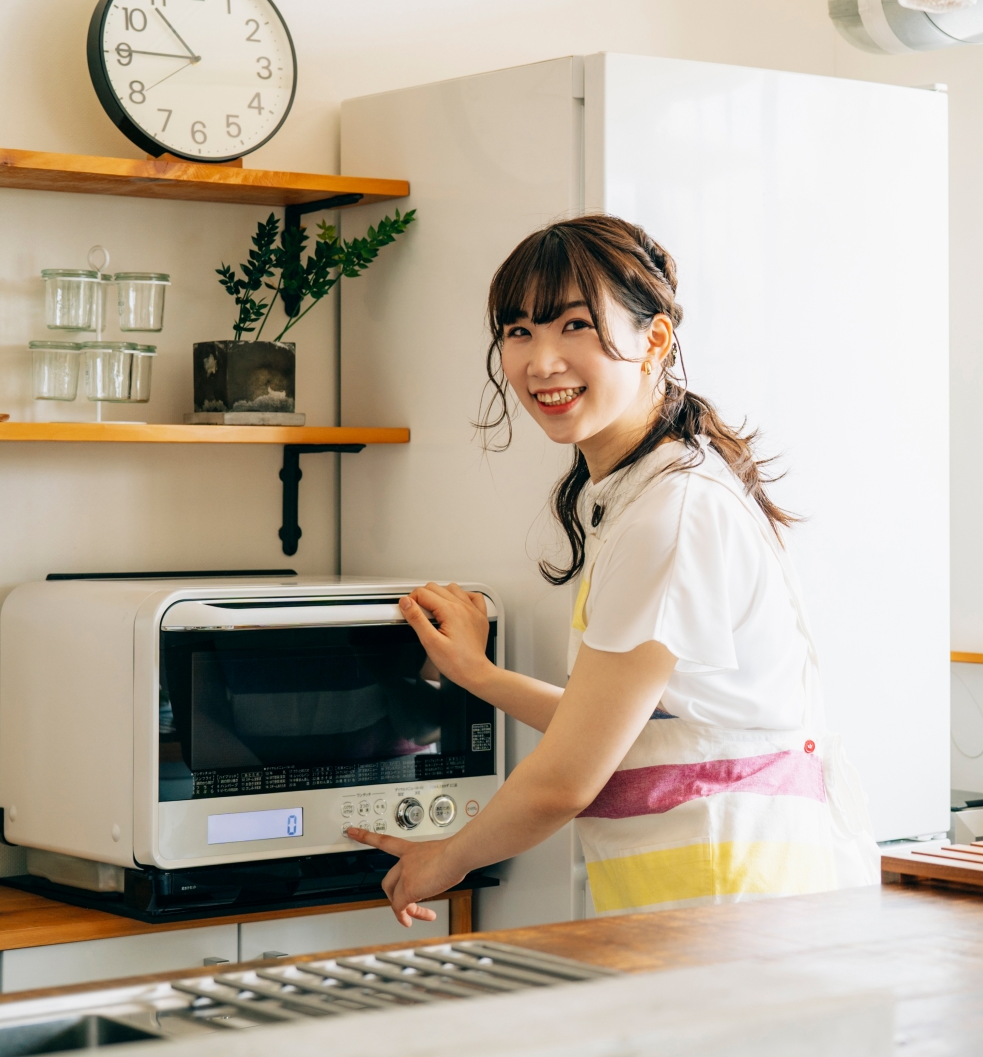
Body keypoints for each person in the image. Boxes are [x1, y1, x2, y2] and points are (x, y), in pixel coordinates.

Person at [345, 216, 879, 924]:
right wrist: (478, 675)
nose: (541, 362)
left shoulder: (671, 512)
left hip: (734, 909)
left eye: (575, 327)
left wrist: (443, 861)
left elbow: (566, 778)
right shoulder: (641, 492)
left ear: (653, 340)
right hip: (703, 906)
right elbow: (625, 724)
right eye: (519, 332)